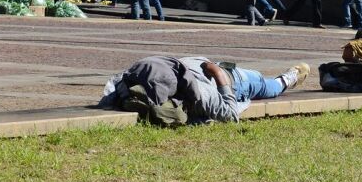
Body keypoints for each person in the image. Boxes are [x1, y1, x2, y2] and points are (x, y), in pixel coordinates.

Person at [101, 55, 309, 126]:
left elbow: (115, 84)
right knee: (268, 87)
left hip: (225, 73)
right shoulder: (199, 94)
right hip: (233, 81)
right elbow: (229, 114)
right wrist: (218, 74)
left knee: (266, 84)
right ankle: (287, 79)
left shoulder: (143, 73)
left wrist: (216, 71)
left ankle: (288, 78)